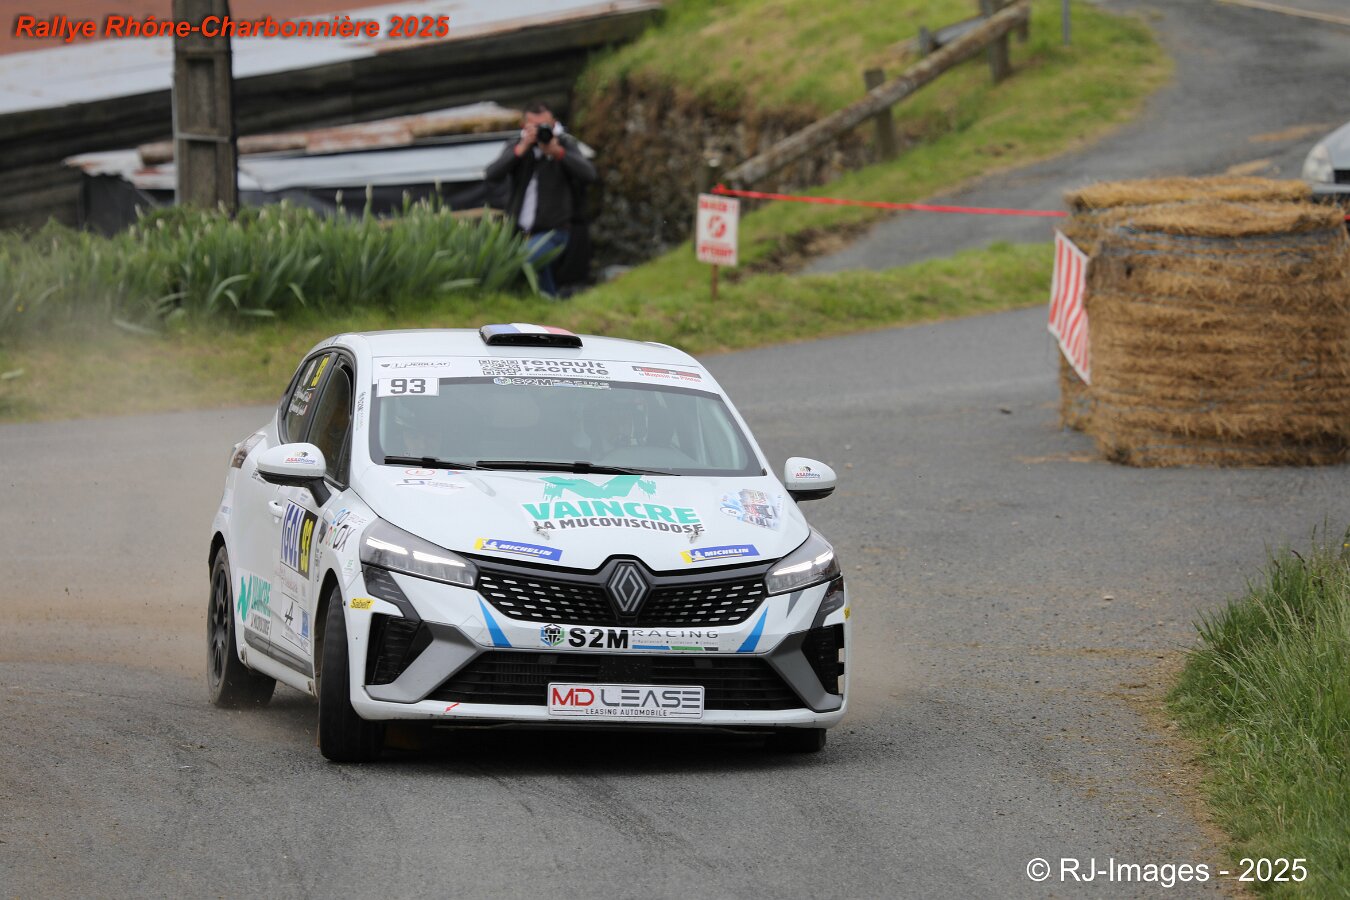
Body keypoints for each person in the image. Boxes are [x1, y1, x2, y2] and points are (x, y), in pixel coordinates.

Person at [484, 101, 597, 298]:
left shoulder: (564, 144)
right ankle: (549, 304)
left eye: (545, 126)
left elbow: (589, 175)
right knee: (537, 272)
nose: (541, 131)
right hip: (519, 232)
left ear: (554, 123)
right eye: (535, 126)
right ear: (525, 126)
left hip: (555, 231)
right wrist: (520, 150)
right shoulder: (518, 145)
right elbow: (492, 174)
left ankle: (545, 302)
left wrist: (558, 153)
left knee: (525, 259)